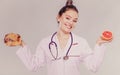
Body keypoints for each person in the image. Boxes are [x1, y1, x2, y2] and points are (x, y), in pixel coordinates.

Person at [5, 0, 112, 75]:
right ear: (59, 17)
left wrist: (99, 44)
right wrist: (22, 44)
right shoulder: (45, 42)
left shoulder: (81, 42)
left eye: (75, 20)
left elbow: (93, 67)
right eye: (68, 18)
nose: (71, 23)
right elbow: (33, 65)